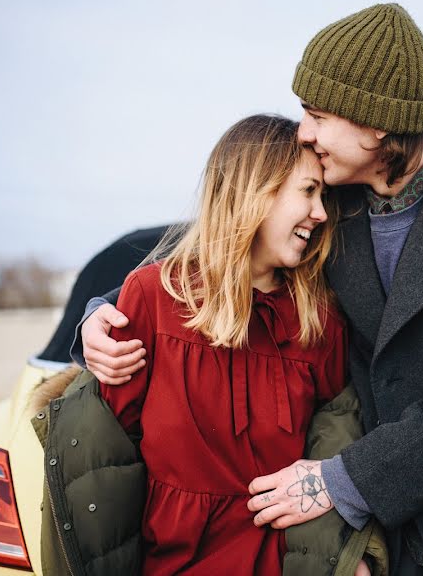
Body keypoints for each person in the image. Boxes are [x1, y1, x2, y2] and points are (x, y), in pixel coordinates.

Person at [79, 5, 423, 575]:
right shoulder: (330, 204)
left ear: (377, 124)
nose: (304, 131)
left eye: (317, 114)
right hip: (386, 536)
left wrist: (344, 481)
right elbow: (222, 257)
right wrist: (102, 316)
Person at [73, 114, 377, 575]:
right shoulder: (153, 298)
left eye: (324, 196)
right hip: (171, 563)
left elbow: (332, 446)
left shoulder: (321, 320)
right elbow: (110, 464)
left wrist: (344, 559)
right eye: (308, 191)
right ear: (255, 192)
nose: (320, 213)